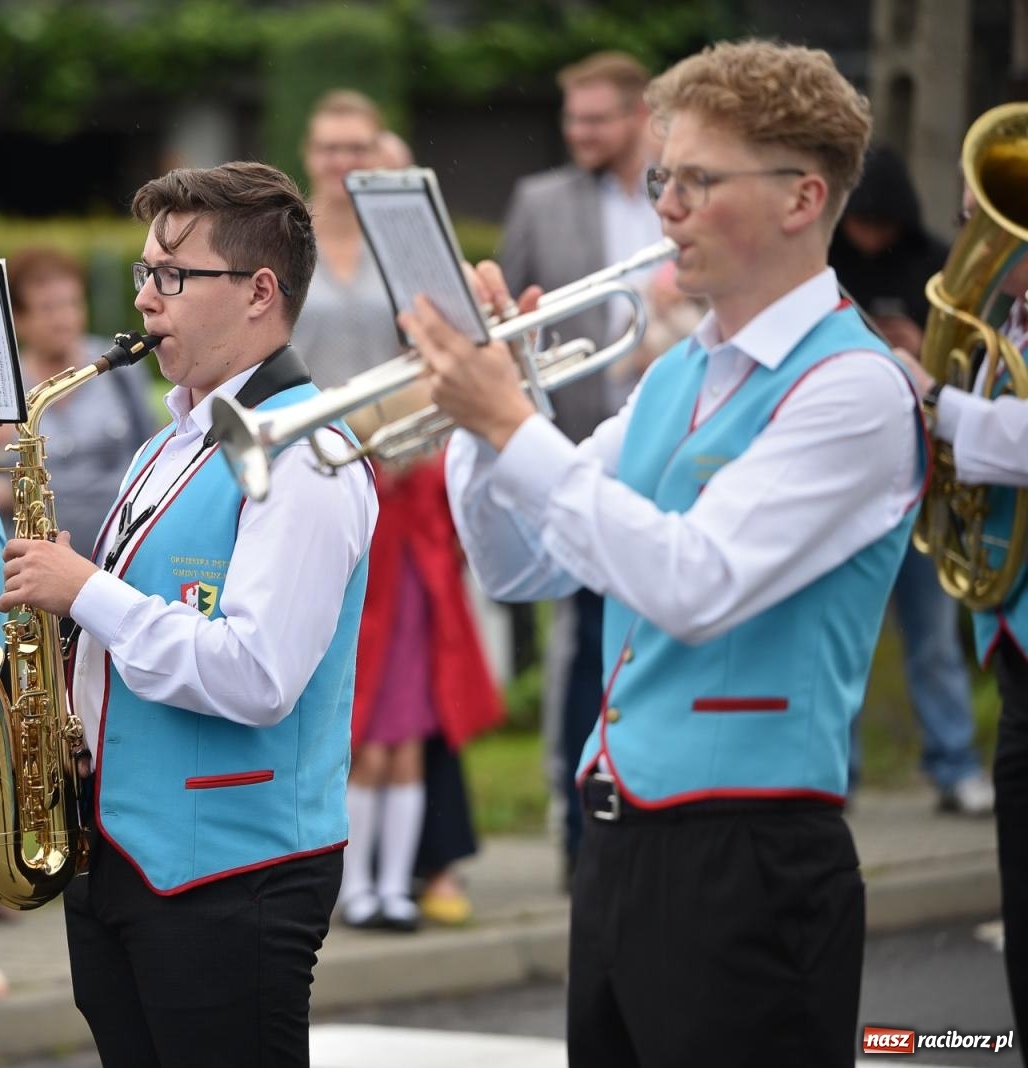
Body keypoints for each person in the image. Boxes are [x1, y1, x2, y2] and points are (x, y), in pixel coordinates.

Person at [411, 40, 924, 1065]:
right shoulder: (673, 376)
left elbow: (696, 582)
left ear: (799, 196)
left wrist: (514, 424)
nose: (666, 207)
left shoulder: (853, 387)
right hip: (622, 840)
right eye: (661, 178)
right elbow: (524, 570)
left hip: (752, 853)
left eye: (697, 179)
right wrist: (486, 416)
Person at [0, 161, 377, 1066]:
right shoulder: (171, 438)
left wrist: (85, 591)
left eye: (172, 276)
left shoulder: (305, 450)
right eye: (141, 274)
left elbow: (257, 675)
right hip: (122, 856)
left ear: (258, 292)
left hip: (232, 873)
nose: (146, 300)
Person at [293, 91, 502, 933]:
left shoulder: (398, 237)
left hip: (399, 470)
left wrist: (392, 431)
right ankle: (328, 863)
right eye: (329, 146)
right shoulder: (286, 236)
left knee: (394, 684)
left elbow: (439, 345)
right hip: (303, 459)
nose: (343, 161)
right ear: (308, 152)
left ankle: (390, 876)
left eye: (355, 146)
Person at [498, 51, 661, 885]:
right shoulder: (541, 198)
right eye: (572, 119)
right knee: (586, 648)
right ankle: (579, 835)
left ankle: (653, 815)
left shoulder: (681, 193)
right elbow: (515, 321)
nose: (580, 134)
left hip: (674, 447)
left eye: (596, 119)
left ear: (639, 115)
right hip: (582, 448)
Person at [895, 178, 1028, 1063]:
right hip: (1014, 642)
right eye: (968, 213)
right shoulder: (1003, 329)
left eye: (991, 213)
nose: (972, 233)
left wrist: (937, 405)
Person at [831, 145, 994, 816]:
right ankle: (837, 775)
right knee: (841, 637)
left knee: (932, 637)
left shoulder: (936, 263)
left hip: (924, 476)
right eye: (859, 221)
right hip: (846, 481)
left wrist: (916, 341)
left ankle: (952, 764)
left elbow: (972, 354)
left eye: (879, 221)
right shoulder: (825, 263)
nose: (868, 235)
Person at [0, 246, 158, 554]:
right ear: (19, 319)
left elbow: (151, 454)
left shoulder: (118, 366)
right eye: (48, 308)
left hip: (118, 549)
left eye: (72, 304)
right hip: (37, 555)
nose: (64, 319)